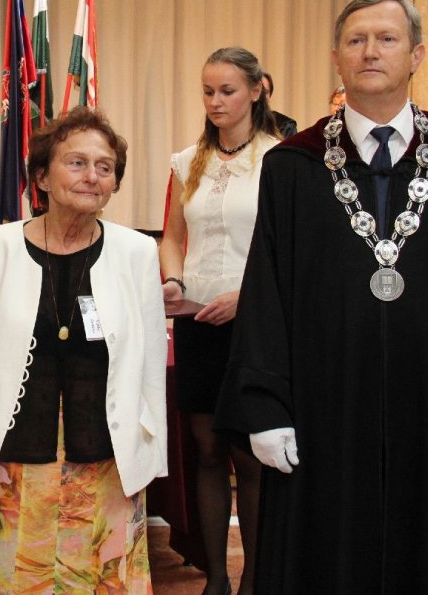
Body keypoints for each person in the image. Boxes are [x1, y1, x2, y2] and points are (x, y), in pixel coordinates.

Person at [215, 0, 428, 592]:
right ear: (336, 57)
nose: (370, 52)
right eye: (356, 40)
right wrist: (264, 406)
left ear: (416, 55)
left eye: (387, 39)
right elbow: (266, 292)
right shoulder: (293, 166)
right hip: (322, 408)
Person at [0, 105, 168, 592]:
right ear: (41, 176)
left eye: (104, 167)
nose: (91, 176)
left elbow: (149, 368)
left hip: (107, 464)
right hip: (10, 466)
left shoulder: (138, 253)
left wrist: (151, 458)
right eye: (76, 163)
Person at [161, 47, 278, 595]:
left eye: (227, 91)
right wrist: (173, 280)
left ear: (256, 90)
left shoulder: (280, 160)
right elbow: (172, 238)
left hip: (255, 323)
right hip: (196, 320)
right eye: (207, 91)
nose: (215, 101)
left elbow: (291, 252)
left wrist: (247, 298)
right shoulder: (187, 162)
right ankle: (216, 580)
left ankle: (254, 579)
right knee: (206, 451)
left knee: (248, 457)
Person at [262, 71, 298, 138]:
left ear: (269, 96)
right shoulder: (241, 125)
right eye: (256, 91)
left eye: (265, 92)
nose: (261, 96)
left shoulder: (285, 126)